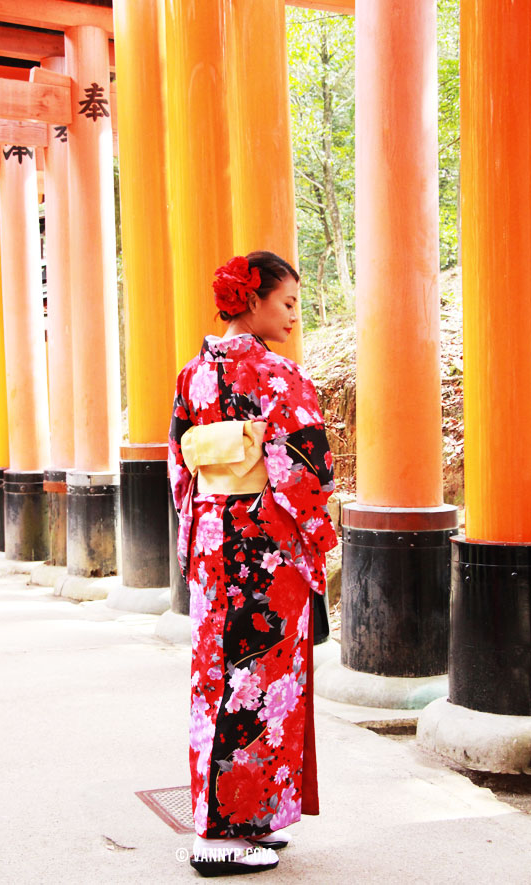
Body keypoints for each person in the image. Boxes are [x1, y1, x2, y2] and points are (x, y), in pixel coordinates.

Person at [168, 251, 337, 877]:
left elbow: (180, 468)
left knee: (219, 680)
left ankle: (249, 817)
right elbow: (306, 473)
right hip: (269, 549)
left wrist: (195, 542)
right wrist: (318, 539)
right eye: (288, 302)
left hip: (214, 543)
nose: (295, 315)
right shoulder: (281, 378)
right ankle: (222, 835)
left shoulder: (192, 375)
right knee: (264, 684)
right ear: (254, 299)